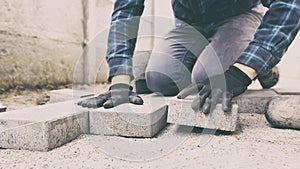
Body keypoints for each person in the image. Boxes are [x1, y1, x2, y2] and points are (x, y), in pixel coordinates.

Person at [78, 0, 300, 114]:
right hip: (189, 24)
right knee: (159, 79)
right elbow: (125, 12)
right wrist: (119, 81)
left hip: (237, 17)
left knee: (209, 78)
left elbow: (290, 4)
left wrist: (240, 73)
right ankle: (225, 55)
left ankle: (259, 63)